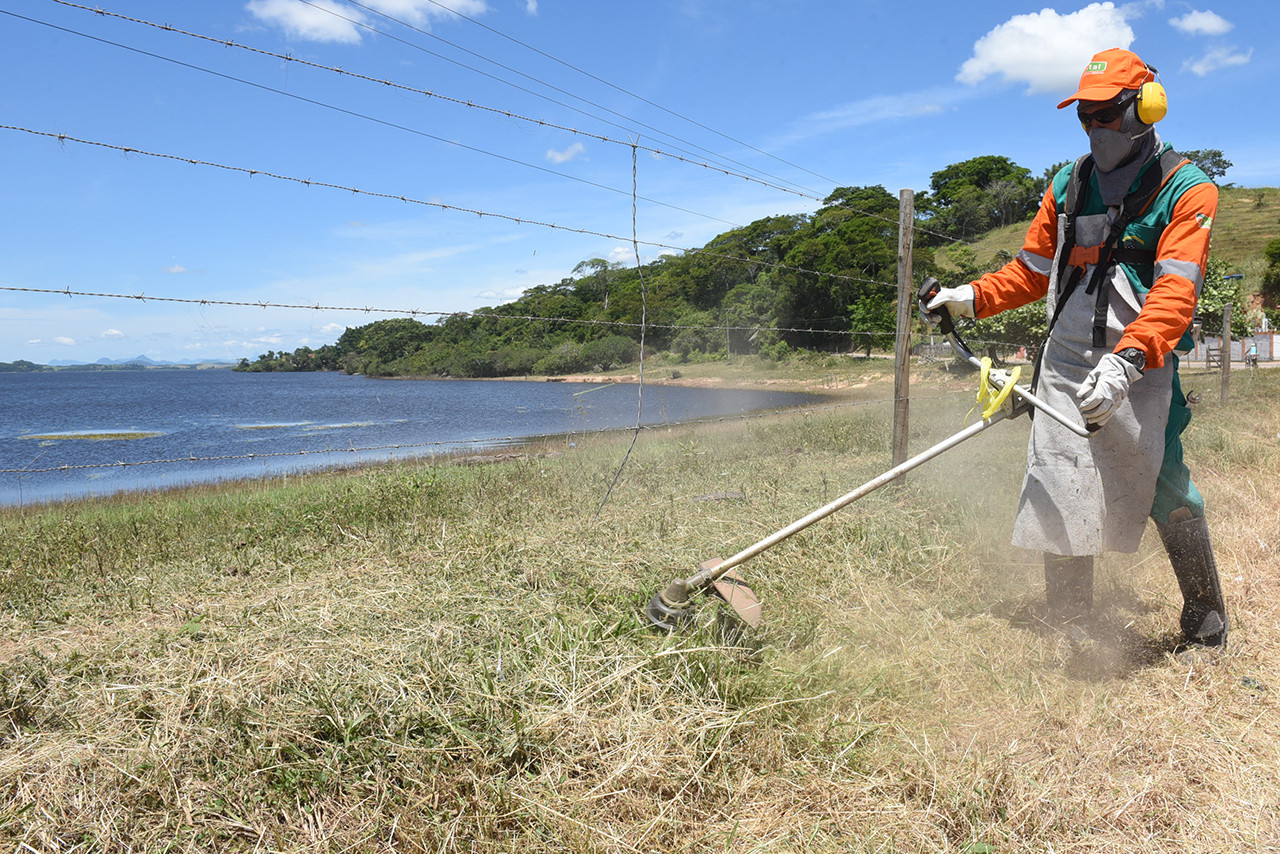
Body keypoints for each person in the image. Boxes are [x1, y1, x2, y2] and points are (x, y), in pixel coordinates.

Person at [924, 48, 1227, 648]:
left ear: (1146, 108)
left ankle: (1204, 609)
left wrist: (1127, 361)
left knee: (1161, 478)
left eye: (1104, 114)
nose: (1093, 127)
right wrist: (970, 297)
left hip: (1141, 360)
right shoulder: (1068, 184)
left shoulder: (1187, 189)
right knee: (1057, 472)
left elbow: (1174, 292)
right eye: (1083, 115)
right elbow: (1033, 270)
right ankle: (1071, 620)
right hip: (1065, 356)